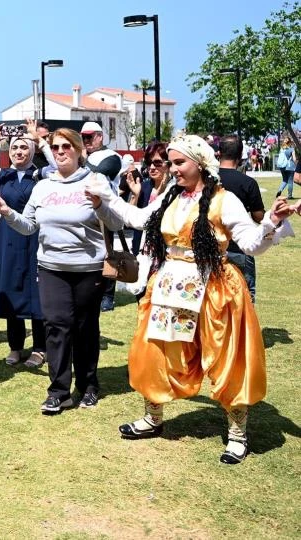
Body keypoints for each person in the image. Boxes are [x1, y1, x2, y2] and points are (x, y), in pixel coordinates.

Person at [84, 134, 295, 464]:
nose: (173, 169)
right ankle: (152, 418)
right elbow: (139, 219)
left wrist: (272, 221)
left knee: (226, 359)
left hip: (215, 289)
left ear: (200, 163)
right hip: (169, 285)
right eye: (171, 162)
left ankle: (237, 435)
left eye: (179, 162)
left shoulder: (225, 200)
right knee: (153, 350)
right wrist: (106, 196)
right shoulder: (171, 195)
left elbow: (252, 244)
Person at [0, 128, 125, 414]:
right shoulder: (43, 186)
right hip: (51, 268)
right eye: (56, 147)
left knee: (85, 328)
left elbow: (116, 224)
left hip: (89, 268)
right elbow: (28, 226)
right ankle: (59, 391)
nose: (61, 152)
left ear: (79, 151)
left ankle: (88, 385)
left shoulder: (96, 180)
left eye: (66, 147)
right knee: (56, 326)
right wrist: (5, 211)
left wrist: (99, 205)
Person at [0, 120, 56, 367]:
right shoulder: (2, 175)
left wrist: (40, 142)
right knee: (12, 288)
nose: (19, 152)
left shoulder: (41, 174)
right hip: (8, 237)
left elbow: (56, 164)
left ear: (31, 152)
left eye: (24, 148)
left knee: (36, 290)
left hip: (34, 236)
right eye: (15, 148)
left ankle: (40, 348)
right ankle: (15, 347)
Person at [80, 122, 123, 312]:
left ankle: (108, 295)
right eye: (83, 137)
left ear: (100, 137)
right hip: (84, 209)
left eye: (90, 137)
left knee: (108, 253)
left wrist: (80, 159)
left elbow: (97, 173)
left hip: (105, 210)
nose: (87, 141)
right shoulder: (82, 156)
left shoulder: (112, 156)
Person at [217, 135, 265, 303]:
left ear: (219, 153)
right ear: (240, 156)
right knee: (245, 294)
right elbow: (258, 216)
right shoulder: (248, 182)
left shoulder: (206, 180)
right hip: (239, 246)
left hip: (212, 246)